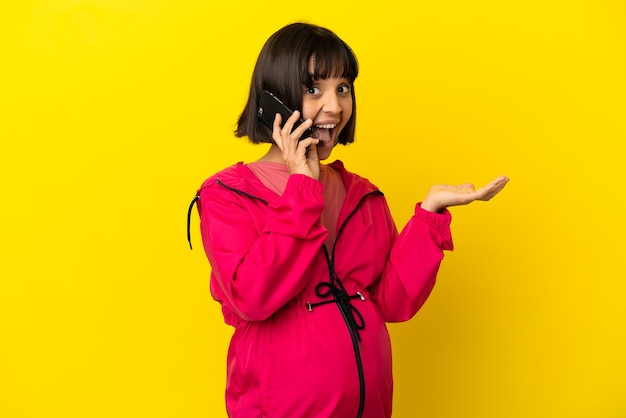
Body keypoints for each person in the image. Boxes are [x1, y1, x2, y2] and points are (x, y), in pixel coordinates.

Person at [187, 22, 509, 418]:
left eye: (342, 88)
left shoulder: (361, 193)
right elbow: (254, 296)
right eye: (313, 89)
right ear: (274, 101)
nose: (335, 107)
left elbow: (392, 301)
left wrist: (429, 215)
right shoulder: (227, 194)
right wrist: (302, 189)